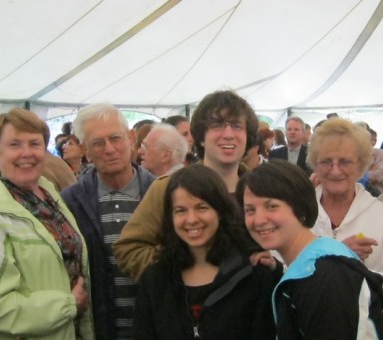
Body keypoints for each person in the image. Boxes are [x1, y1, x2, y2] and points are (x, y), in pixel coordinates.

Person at [114, 90, 259, 281]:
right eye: (217, 125)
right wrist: (183, 266)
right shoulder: (169, 187)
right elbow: (129, 249)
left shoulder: (261, 190)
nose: (229, 134)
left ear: (248, 135)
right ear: (200, 137)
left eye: (237, 126)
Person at [238, 160, 383, 339]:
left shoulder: (327, 276)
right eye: (250, 210)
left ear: (300, 208)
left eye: (272, 206)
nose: (259, 219)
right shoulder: (307, 267)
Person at [0, 108, 93, 340]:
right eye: (14, 145)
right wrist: (68, 304)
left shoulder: (49, 194)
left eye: (34, 143)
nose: (26, 153)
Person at [133, 165, 278, 339]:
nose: (192, 219)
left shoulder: (252, 276)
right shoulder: (155, 280)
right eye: (181, 210)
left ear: (220, 211)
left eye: (202, 207)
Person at [61, 103, 156, 339]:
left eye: (116, 138)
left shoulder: (159, 193)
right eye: (98, 143)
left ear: (131, 138)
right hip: (99, 330)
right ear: (85, 149)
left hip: (155, 326)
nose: (110, 149)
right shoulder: (71, 202)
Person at [307, 118, 383, 315]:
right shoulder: (298, 213)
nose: (335, 170)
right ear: (315, 165)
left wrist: (348, 296)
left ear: (361, 166)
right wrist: (340, 255)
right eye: (325, 162)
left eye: (345, 161)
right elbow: (283, 272)